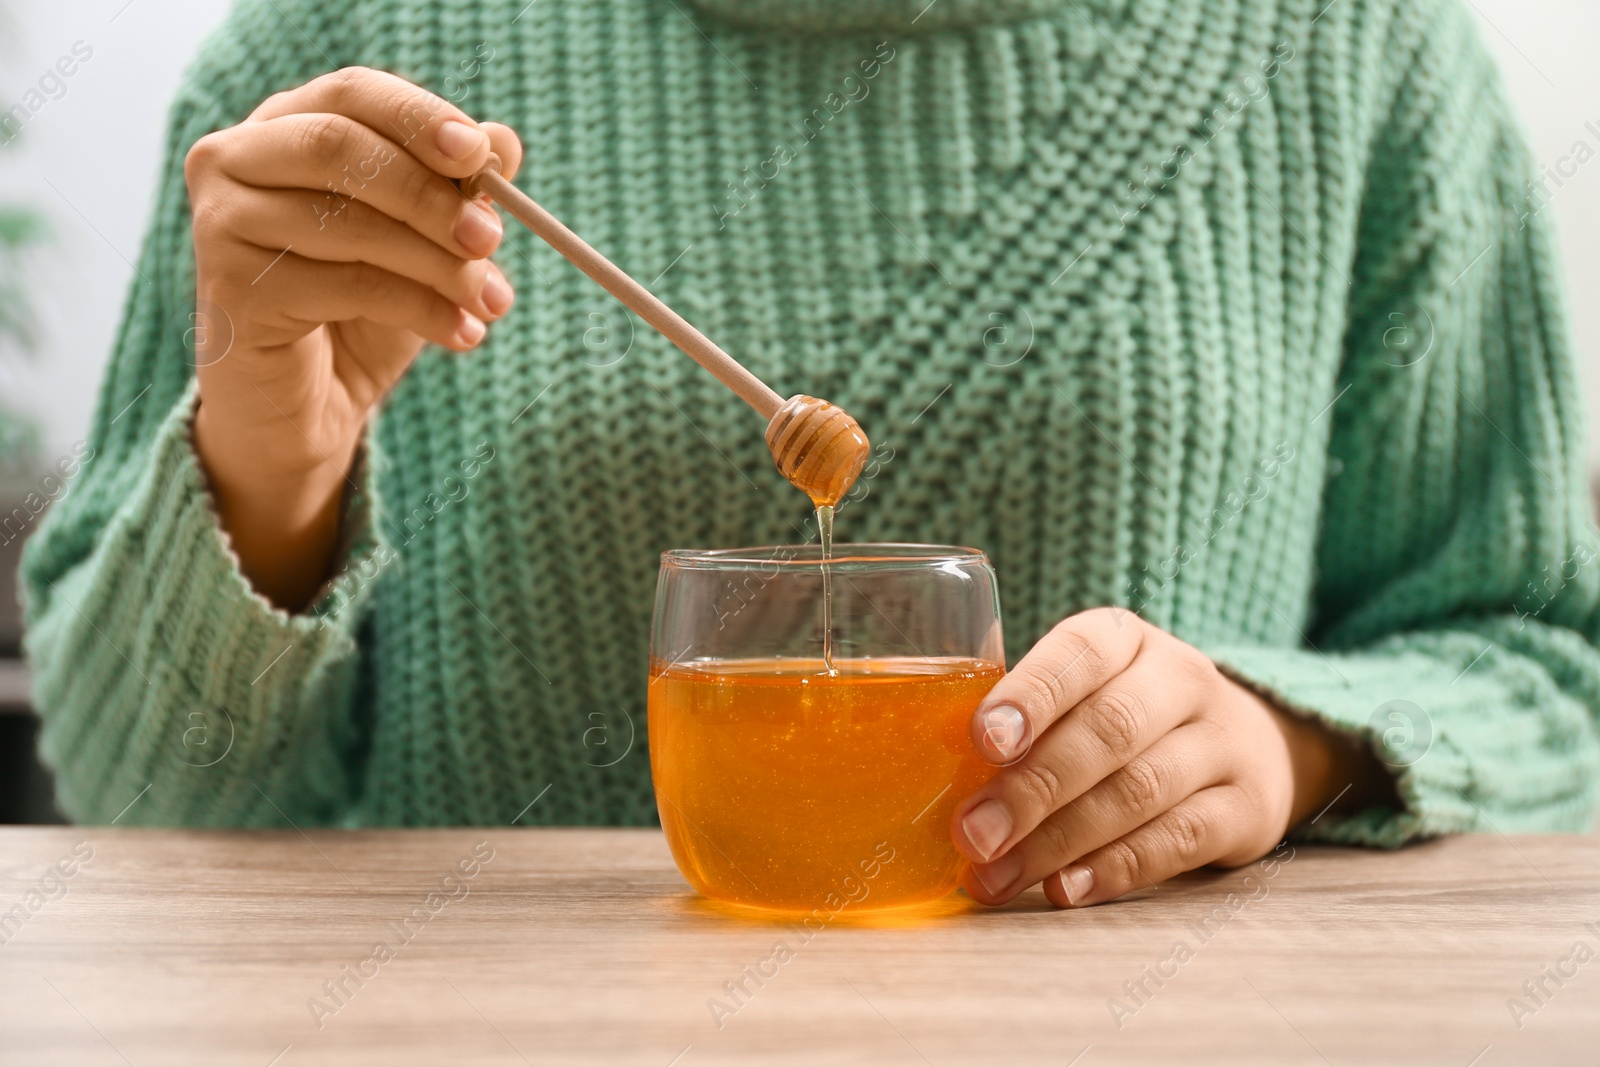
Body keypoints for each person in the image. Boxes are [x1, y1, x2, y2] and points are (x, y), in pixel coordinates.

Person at [21, 0, 1600, 908]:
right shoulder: (356, 67)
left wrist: (1286, 745)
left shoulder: (1350, 50)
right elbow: (137, 792)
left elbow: (1543, 671)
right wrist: (267, 473)